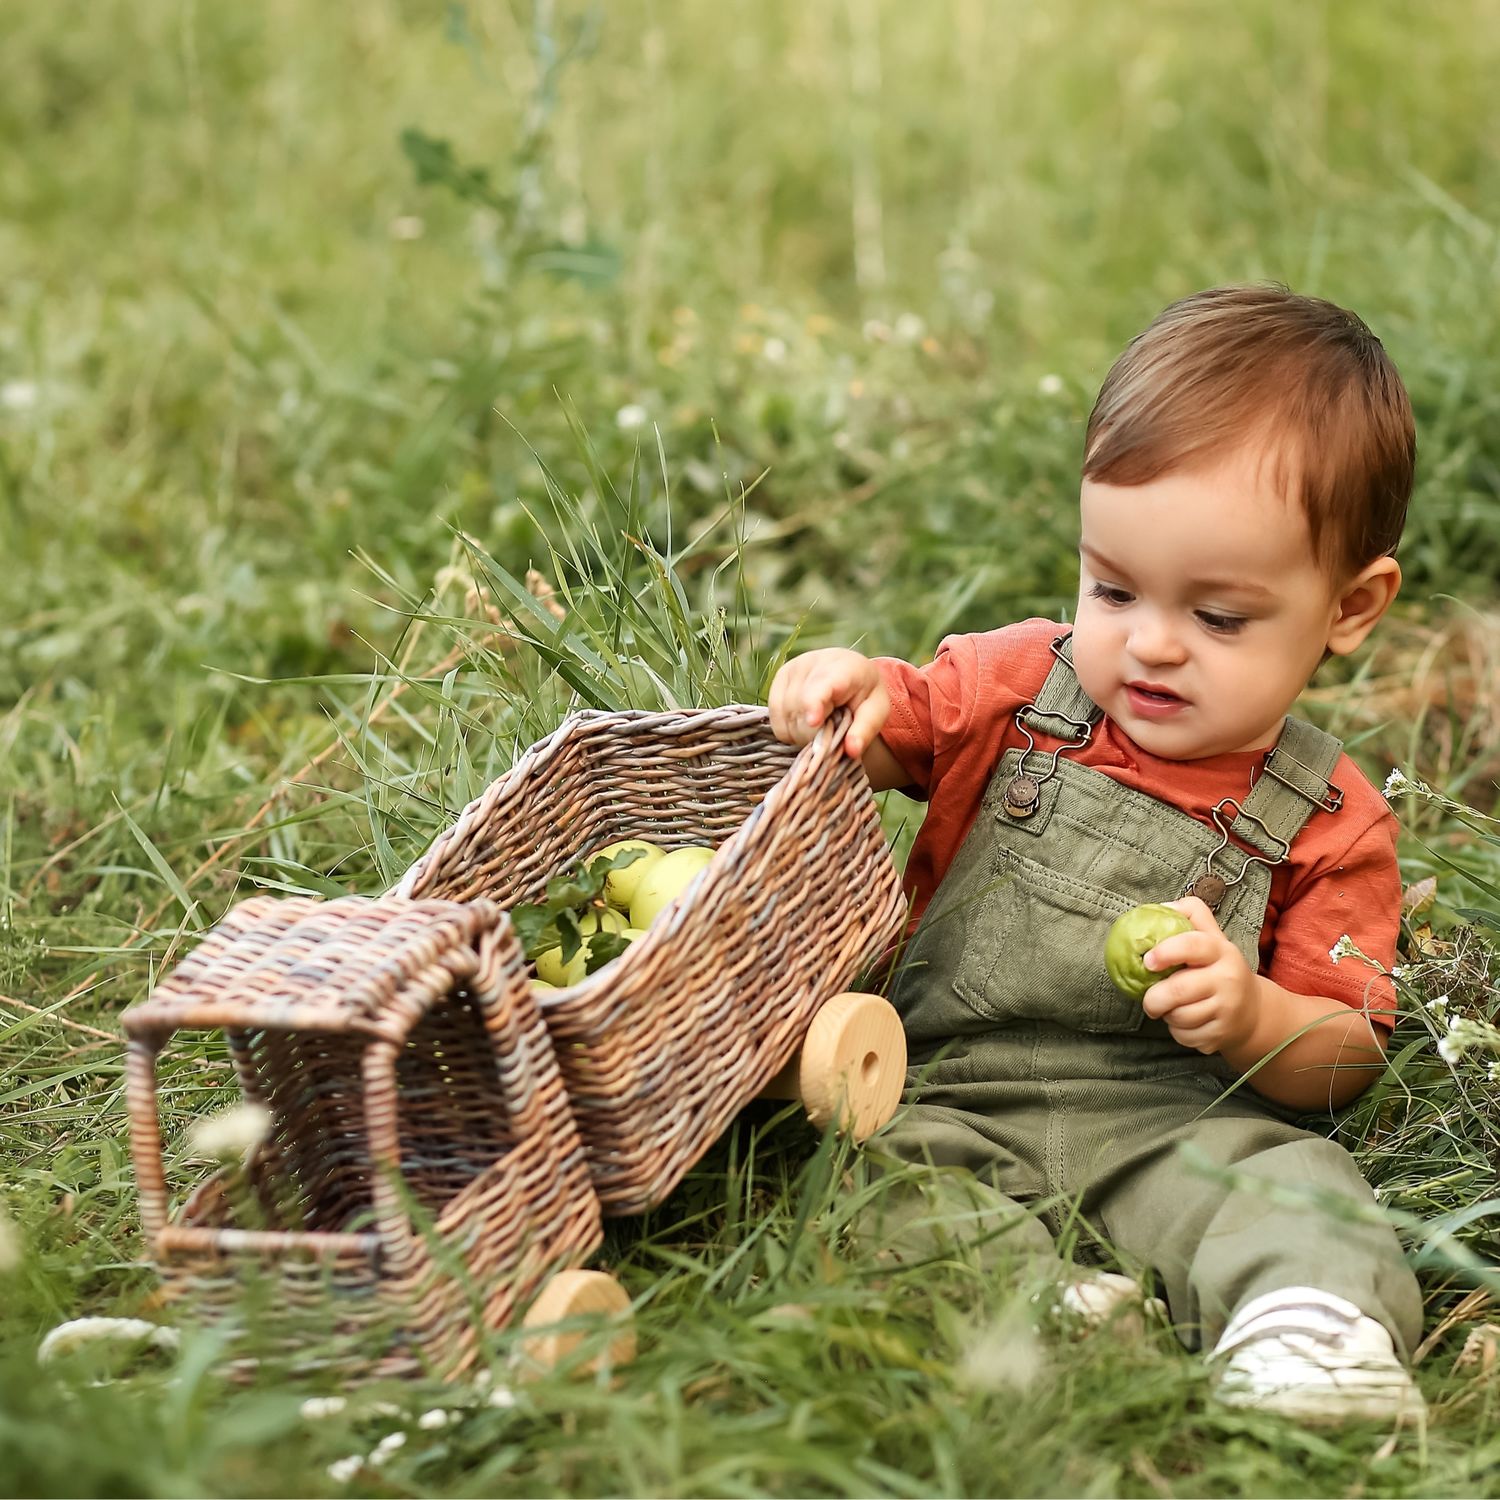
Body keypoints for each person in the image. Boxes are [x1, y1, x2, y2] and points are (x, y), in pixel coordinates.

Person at [768, 284, 1425, 1423]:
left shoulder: (1329, 817)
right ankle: (1055, 1316)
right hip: (950, 1099)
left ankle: (1308, 1343)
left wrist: (1256, 1016)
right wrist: (851, 685)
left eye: (1220, 617)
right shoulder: (1029, 686)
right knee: (865, 1178)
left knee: (1301, 1187)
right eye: (1113, 588)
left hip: (1182, 1127)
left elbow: (1347, 1053)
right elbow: (898, 720)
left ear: (1350, 607)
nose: (1152, 644)